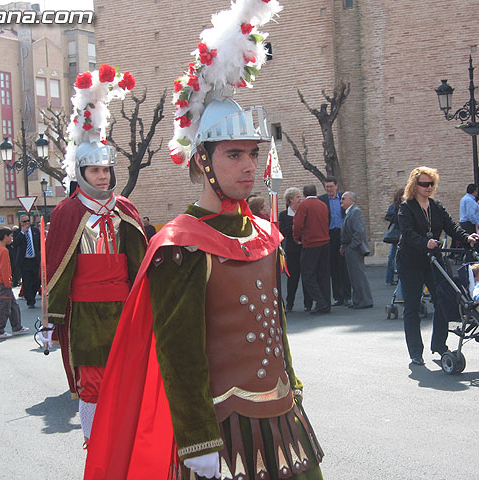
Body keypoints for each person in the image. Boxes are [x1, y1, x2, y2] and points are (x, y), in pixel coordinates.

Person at [86, 4, 323, 477]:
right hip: (220, 431)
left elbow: (273, 322)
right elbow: (181, 354)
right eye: (234, 154)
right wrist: (197, 442)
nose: (249, 166)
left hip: (282, 418)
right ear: (202, 162)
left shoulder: (262, 232)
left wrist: (291, 385)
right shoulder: (181, 244)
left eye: (253, 153)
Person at [44, 65, 146, 444]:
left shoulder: (125, 209)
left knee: (128, 377)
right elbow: (56, 267)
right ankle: (95, 445)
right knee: (92, 382)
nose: (102, 177)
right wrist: (53, 319)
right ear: (80, 171)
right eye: (94, 170)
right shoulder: (67, 212)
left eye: (106, 170)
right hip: (85, 310)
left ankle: (126, 441)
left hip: (124, 307)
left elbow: (141, 261)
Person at [397, 167, 478, 365]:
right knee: (412, 307)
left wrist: (467, 237)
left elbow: (451, 226)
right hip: (410, 262)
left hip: (434, 260)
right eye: (425, 184)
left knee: (443, 300)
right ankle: (416, 351)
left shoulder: (436, 206)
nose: (429, 187)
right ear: (415, 186)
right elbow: (407, 233)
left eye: (432, 183)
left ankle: (439, 345)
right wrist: (425, 243)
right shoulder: (406, 208)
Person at [293, 184, 331, 314]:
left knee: (308, 274)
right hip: (325, 242)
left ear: (304, 194)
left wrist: (296, 237)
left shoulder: (304, 206)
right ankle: (326, 303)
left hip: (311, 243)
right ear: (316, 192)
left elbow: (298, 224)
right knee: (323, 275)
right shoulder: (323, 205)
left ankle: (321, 302)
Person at [318, 176, 351, 306]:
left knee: (344, 266)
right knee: (333, 267)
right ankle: (338, 296)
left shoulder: (344, 198)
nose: (329, 189)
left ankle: (348, 295)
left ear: (336, 186)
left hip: (343, 234)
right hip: (329, 235)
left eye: (331, 186)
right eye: (327, 187)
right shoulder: (322, 200)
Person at [279, 187, 311, 312]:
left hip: (305, 247)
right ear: (291, 199)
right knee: (292, 278)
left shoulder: (304, 212)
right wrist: (295, 226)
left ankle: (308, 303)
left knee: (306, 276)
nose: (300, 199)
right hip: (292, 250)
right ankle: (289, 303)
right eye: (298, 197)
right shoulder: (283, 215)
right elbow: (282, 231)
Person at [0, 227, 27, 339]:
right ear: (5, 236)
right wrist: (8, 283)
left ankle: (17, 326)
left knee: (13, 305)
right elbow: (5, 269)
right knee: (4, 307)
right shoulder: (3, 250)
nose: (12, 238)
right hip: (3, 282)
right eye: (10, 236)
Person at [339, 191, 373, 309]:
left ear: (351, 200)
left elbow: (359, 232)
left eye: (343, 199)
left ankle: (365, 301)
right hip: (350, 247)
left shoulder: (355, 212)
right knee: (353, 276)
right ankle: (358, 300)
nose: (341, 201)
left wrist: (351, 247)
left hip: (354, 249)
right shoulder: (349, 212)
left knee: (358, 276)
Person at [13, 215, 40, 307]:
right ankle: (30, 301)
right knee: (27, 281)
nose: (26, 223)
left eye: (28, 221)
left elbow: (39, 245)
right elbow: (15, 244)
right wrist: (22, 233)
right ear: (21, 223)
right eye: (24, 221)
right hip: (24, 261)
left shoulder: (35, 231)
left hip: (35, 260)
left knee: (37, 280)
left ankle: (32, 295)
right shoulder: (17, 232)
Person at [385, 188, 403, 285]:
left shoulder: (395, 206)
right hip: (397, 233)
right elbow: (388, 216)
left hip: (401, 233)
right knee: (393, 257)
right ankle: (390, 278)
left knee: (395, 257)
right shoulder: (396, 206)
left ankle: (396, 278)